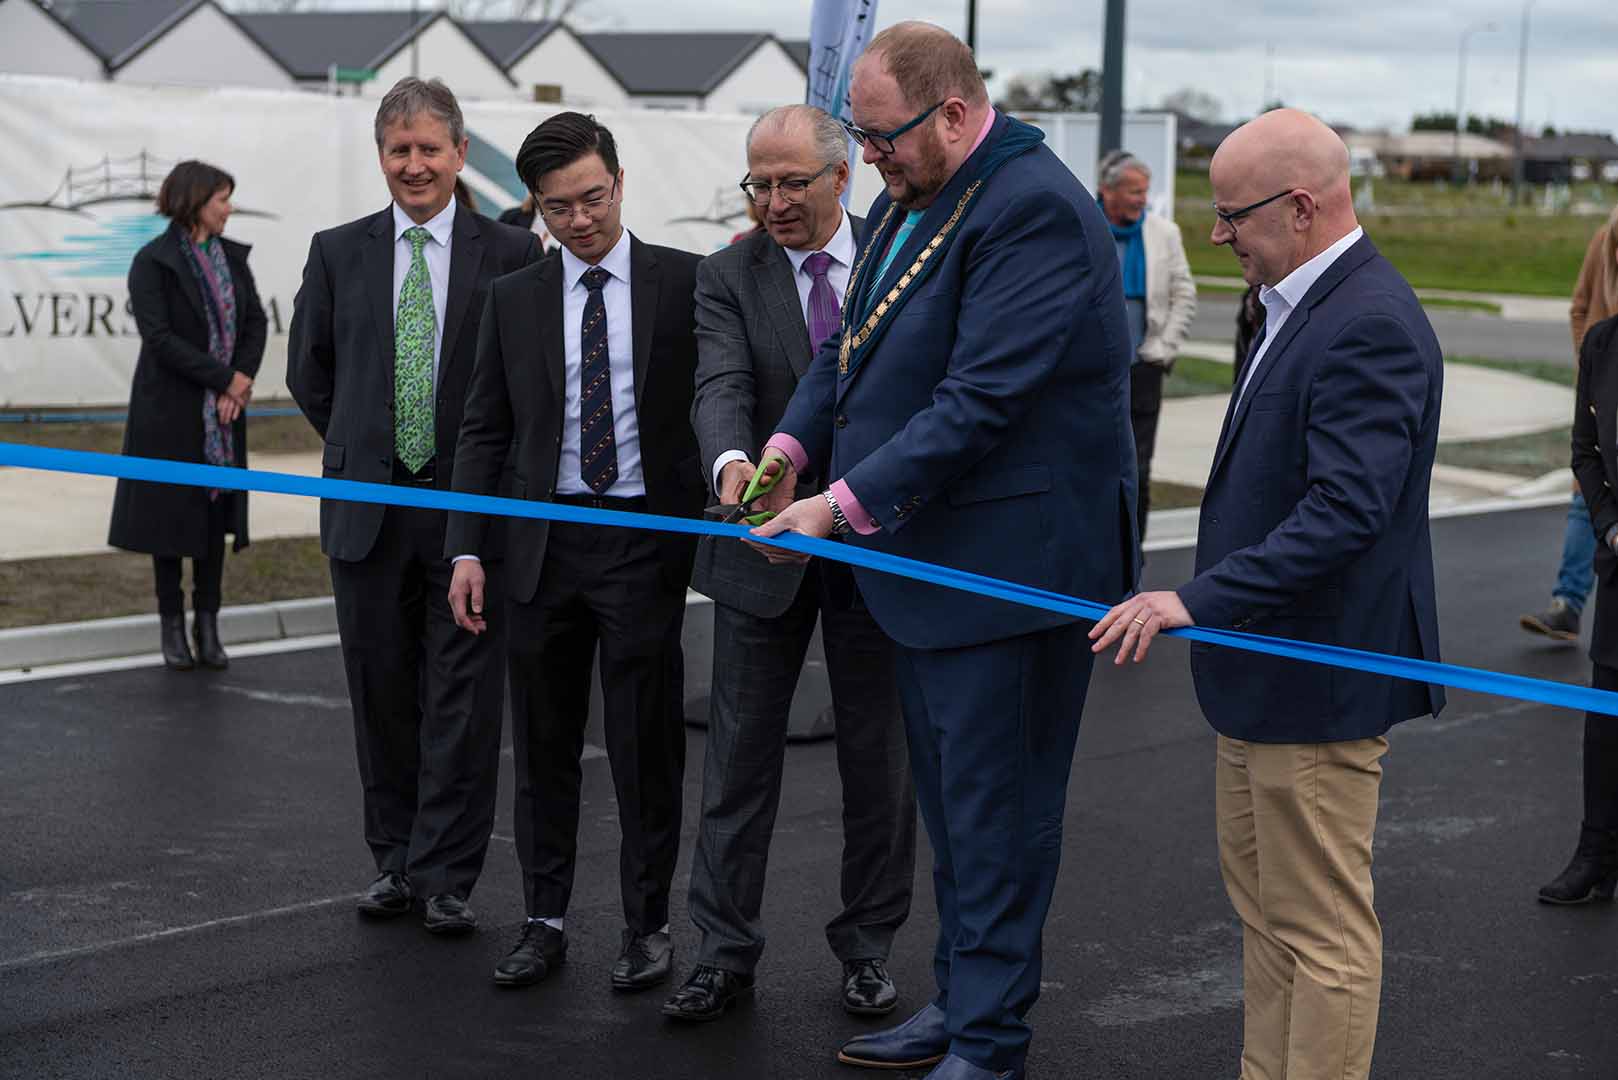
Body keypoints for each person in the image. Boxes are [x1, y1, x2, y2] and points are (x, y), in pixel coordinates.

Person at [748, 23, 1137, 1080]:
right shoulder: (910, 195)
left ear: (955, 112)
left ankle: (992, 1040)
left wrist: (836, 506)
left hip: (1009, 574)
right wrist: (788, 448)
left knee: (997, 819)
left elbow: (980, 402)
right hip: (927, 563)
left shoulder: (1038, 212)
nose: (868, 162)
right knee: (957, 820)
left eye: (880, 140)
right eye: (864, 143)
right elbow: (849, 346)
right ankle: (964, 1005)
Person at [1091, 109, 1445, 1080]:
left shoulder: (1367, 320)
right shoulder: (1293, 302)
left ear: (1299, 206)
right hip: (1265, 674)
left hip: (1317, 681)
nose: (1215, 233)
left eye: (1231, 213)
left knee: (1321, 934)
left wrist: (1192, 600)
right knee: (1270, 925)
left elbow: (1345, 512)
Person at [662, 104, 916, 1025]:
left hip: (878, 547)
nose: (772, 203)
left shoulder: (903, 251)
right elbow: (720, 382)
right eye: (757, 184)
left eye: (790, 184)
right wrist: (735, 471)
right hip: (762, 544)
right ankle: (722, 953)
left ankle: (868, 950)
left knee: (879, 764)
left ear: (841, 179)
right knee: (735, 762)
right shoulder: (728, 274)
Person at [445, 112, 706, 994]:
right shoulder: (514, 296)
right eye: (559, 208)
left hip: (642, 543)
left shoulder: (685, 283)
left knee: (644, 746)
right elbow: (483, 429)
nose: (581, 220)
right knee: (546, 743)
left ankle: (648, 924)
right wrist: (465, 551)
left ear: (620, 182)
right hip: (539, 547)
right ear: (538, 208)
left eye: (593, 198)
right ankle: (544, 918)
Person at [285, 77, 539, 936]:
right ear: (381, 157)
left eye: (431, 148)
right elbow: (310, 372)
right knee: (382, 693)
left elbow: (522, 383)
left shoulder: (511, 254)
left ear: (461, 154)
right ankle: (392, 860)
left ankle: (446, 876)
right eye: (400, 149)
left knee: (463, 704)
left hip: (469, 518)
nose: (415, 163)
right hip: (367, 514)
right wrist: (370, 450)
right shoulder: (336, 251)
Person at [109, 160, 266, 672]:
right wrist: (223, 380)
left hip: (223, 417)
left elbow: (255, 323)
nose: (230, 208)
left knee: (212, 520)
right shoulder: (152, 262)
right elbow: (159, 339)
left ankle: (209, 625)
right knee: (169, 526)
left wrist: (240, 378)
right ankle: (173, 627)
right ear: (196, 201)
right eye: (223, 198)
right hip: (170, 414)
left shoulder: (231, 258)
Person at [1543, 303, 1618, 903]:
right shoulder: (1602, 344)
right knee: (1605, 721)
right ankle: (1596, 853)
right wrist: (1609, 524)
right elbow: (1584, 450)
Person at [1521, 206, 1618, 642]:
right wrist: (1593, 367)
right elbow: (1579, 307)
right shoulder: (1604, 238)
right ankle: (1569, 603)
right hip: (1603, 392)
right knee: (1589, 491)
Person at [1096, 149, 1196, 540]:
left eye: (1145, 191)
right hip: (1092, 373)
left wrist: (1164, 348)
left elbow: (1183, 294)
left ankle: (1133, 555)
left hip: (1143, 369)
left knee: (1137, 469)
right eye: (1134, 190)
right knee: (1091, 465)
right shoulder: (1083, 226)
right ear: (1107, 190)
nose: (1142, 198)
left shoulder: (1163, 234)